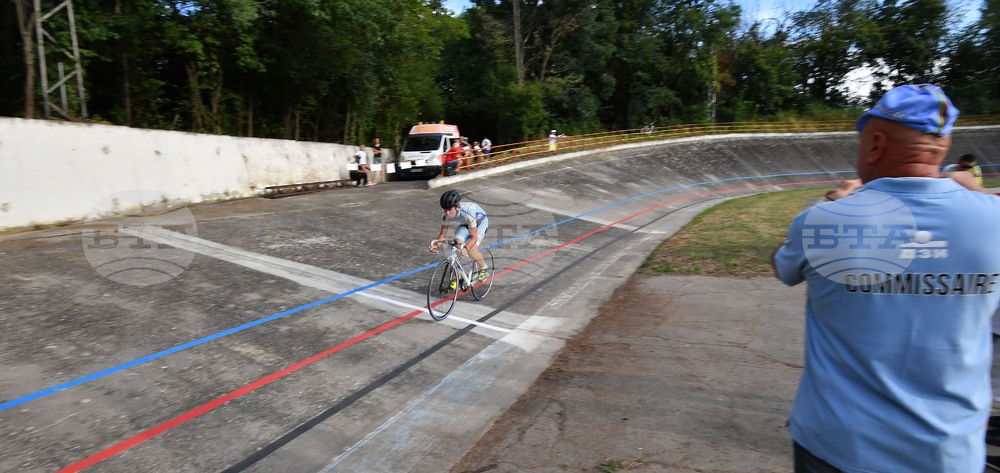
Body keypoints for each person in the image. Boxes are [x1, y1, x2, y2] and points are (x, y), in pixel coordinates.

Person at [772, 84, 1000, 473]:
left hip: (839, 446)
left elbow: (782, 266)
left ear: (876, 144)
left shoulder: (822, 222)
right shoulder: (994, 218)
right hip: (950, 452)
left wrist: (834, 203)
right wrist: (979, 195)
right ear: (942, 147)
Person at [428, 190, 490, 283]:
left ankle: (484, 268)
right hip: (466, 223)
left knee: (471, 251)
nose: (447, 213)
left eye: (450, 209)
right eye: (445, 209)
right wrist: (436, 245)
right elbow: (443, 235)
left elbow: (474, 238)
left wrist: (466, 248)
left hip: (480, 223)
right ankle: (458, 277)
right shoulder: (445, 215)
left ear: (457, 207)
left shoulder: (467, 212)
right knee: (456, 244)